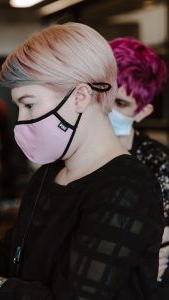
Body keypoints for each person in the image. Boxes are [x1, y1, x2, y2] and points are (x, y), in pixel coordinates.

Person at [0, 23, 164, 299]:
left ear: (80, 96)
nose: (22, 121)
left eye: (29, 104)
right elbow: (13, 258)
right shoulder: (49, 176)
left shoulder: (127, 190)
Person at [108, 36, 169, 296]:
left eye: (121, 104)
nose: (108, 109)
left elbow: (159, 249)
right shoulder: (66, 156)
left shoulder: (157, 163)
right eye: (105, 94)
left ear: (142, 112)